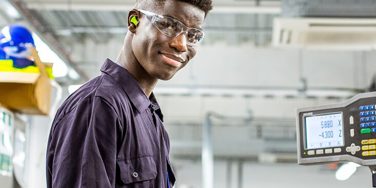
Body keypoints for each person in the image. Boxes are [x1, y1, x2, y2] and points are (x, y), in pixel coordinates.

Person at [46, 0, 212, 187]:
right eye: (168, 25)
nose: (181, 45)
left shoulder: (152, 119)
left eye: (193, 36)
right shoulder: (98, 105)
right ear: (134, 21)